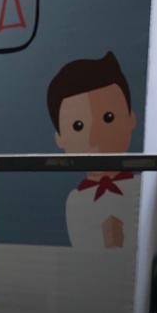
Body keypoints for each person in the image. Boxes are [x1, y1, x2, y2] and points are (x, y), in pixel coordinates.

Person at [47, 51, 139, 250]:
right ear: (60, 138)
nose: (94, 136)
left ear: (131, 118)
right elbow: (83, 251)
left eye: (108, 118)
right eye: (78, 126)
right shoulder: (76, 200)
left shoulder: (139, 190)